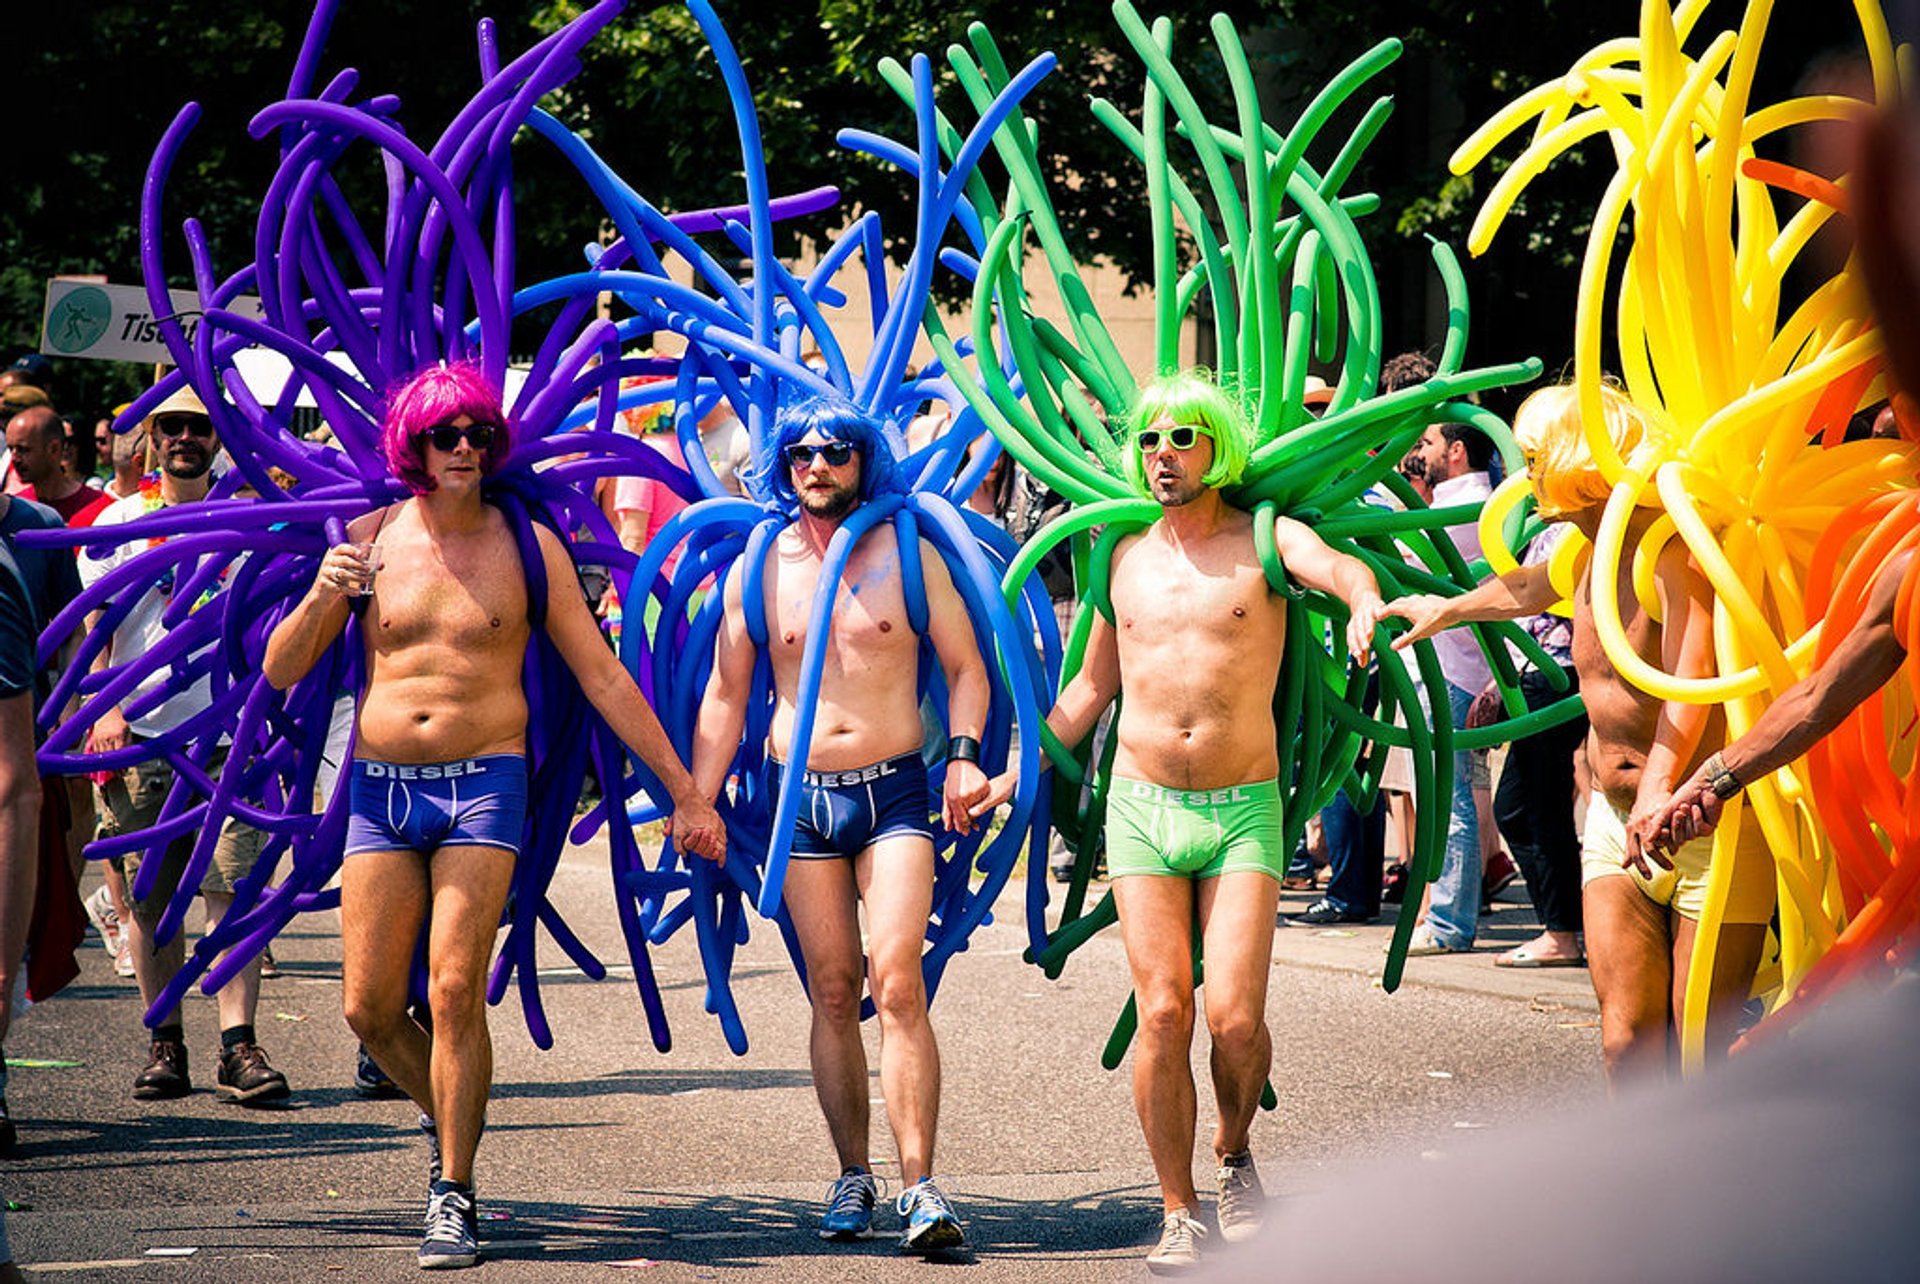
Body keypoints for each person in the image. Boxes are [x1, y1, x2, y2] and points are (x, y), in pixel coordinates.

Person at [263, 363, 722, 1270]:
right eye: (445, 435)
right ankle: (454, 1111)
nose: (464, 448)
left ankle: (454, 1191)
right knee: (365, 1010)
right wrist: (326, 591)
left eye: (477, 433)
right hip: (382, 788)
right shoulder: (366, 539)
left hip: (486, 786)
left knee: (451, 989)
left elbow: (602, 675)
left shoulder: (528, 545)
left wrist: (684, 789)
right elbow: (281, 671)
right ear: (413, 448)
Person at [976, 370, 1389, 1273]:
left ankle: (1235, 1154)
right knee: (1163, 1012)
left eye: (1182, 439)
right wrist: (1014, 774)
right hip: (1141, 807)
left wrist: (1362, 601)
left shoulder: (1267, 541)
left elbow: (1343, 569)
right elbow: (1091, 687)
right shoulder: (1121, 554)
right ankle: (1178, 1207)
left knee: (1235, 1019)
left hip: (1242, 811)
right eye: (1151, 440)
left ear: (1217, 449)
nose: (1162, 455)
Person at [1383, 384, 1774, 1087]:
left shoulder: (1668, 546)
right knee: (1627, 1043)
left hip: (1705, 820)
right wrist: (1444, 609)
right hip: (1616, 821)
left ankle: (1720, 1188)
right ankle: (1642, 1187)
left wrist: (1659, 792)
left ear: (1577, 459)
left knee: (1698, 1047)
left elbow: (1694, 679)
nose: (1527, 474)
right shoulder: (1586, 547)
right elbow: (1529, 587)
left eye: (1537, 457)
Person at [689, 394, 989, 1254]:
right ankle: (852, 1174)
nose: (817, 466)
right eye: (802, 455)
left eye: (837, 451)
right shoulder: (762, 562)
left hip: (894, 793)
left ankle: (920, 1187)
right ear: (784, 468)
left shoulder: (908, 550)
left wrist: (963, 753)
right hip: (798, 804)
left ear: (865, 461)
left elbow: (968, 668)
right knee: (831, 991)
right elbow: (725, 691)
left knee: (896, 981)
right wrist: (699, 797)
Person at [79, 386, 295, 1112]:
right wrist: (101, 707)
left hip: (233, 738)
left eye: (198, 428)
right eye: (170, 426)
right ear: (148, 438)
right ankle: (164, 1040)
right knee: (148, 897)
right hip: (143, 734)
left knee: (234, 890)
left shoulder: (247, 520)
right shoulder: (118, 525)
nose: (183, 439)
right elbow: (96, 633)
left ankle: (240, 1046)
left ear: (216, 439)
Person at [1401, 417, 1497, 954]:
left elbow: (1402, 557)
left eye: (1428, 444)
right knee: (1455, 796)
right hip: (1464, 673)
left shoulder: (1460, 508)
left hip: (1452, 676)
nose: (1420, 453)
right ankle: (1446, 916)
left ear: (1456, 452)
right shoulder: (1480, 504)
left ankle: (1449, 924)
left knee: (1449, 800)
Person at [6, 406, 109, 528]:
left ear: (53, 448)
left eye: (23, 450)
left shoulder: (96, 507)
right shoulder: (14, 510)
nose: (14, 459)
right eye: (11, 449)